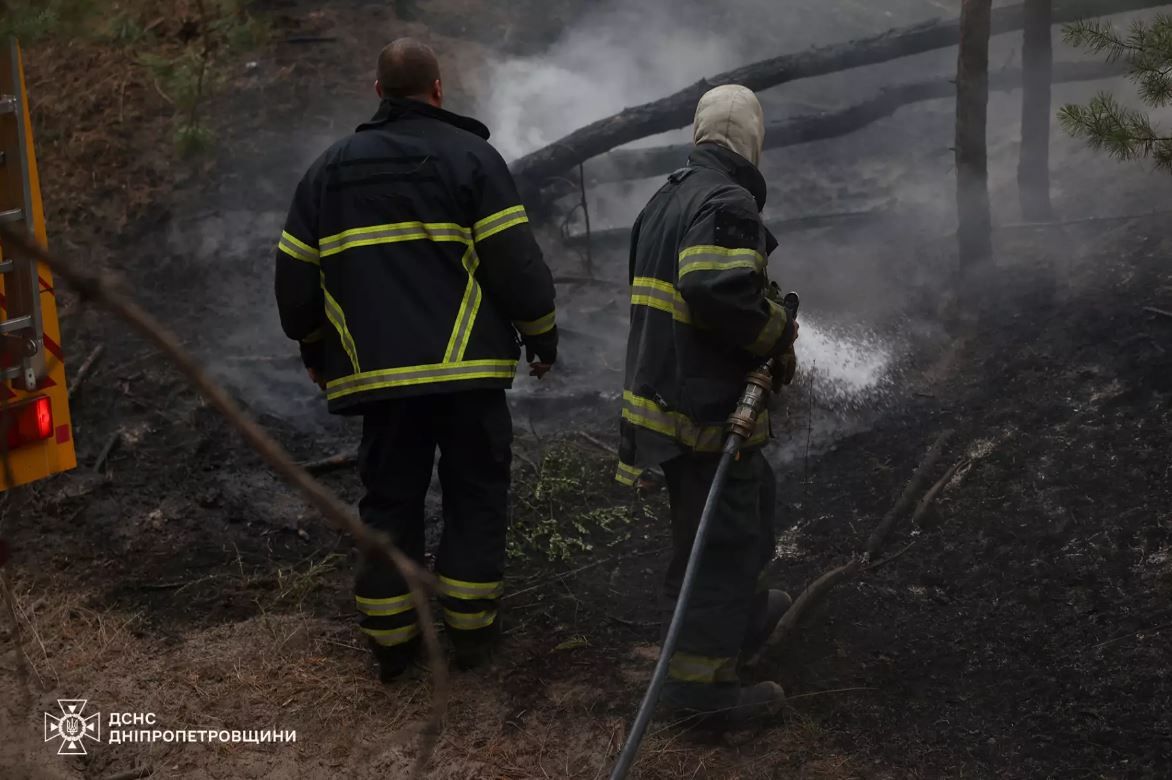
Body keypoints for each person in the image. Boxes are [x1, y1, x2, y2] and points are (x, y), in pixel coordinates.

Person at [274, 38, 558, 681]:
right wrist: (542, 337)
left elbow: (294, 275)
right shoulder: (473, 159)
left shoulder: (328, 170)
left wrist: (315, 347)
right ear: (437, 90)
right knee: (476, 494)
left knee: (389, 499)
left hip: (382, 379)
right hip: (468, 375)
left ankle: (392, 646)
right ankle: (471, 638)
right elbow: (516, 264)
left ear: (378, 93)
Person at [616, 84, 798, 719]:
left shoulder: (666, 196)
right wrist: (776, 331)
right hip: (704, 414)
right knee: (719, 546)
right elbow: (713, 290)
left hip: (669, 402)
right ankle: (702, 697)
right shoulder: (728, 199)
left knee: (745, 511)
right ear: (753, 140)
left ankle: (743, 620)